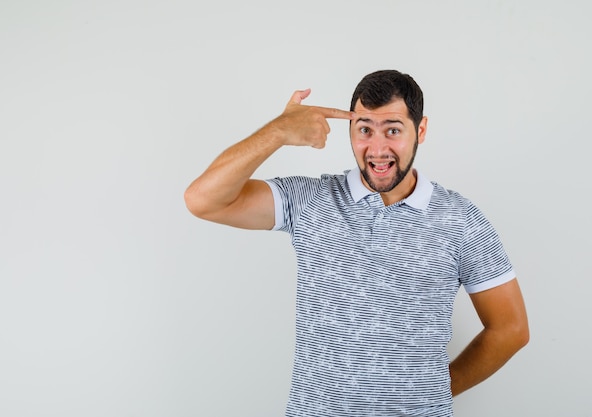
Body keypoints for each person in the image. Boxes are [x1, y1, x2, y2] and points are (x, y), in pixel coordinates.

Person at [184, 69, 529, 417]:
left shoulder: (461, 219)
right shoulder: (311, 200)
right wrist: (278, 132)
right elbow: (204, 200)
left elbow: (510, 329)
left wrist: (432, 390)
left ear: (420, 130)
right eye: (364, 129)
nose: (377, 150)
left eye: (393, 130)